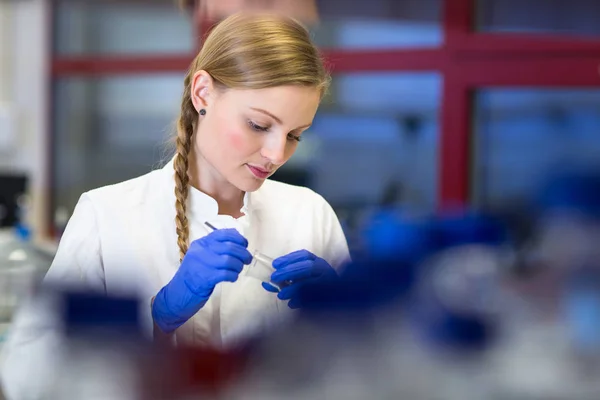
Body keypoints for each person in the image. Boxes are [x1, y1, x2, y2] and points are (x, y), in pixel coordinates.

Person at [0, 12, 349, 399]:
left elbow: (367, 377)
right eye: (258, 125)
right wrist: (158, 317)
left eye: (295, 135)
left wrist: (341, 322)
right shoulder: (107, 214)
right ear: (202, 93)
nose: (276, 153)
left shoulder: (311, 215)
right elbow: (26, 374)